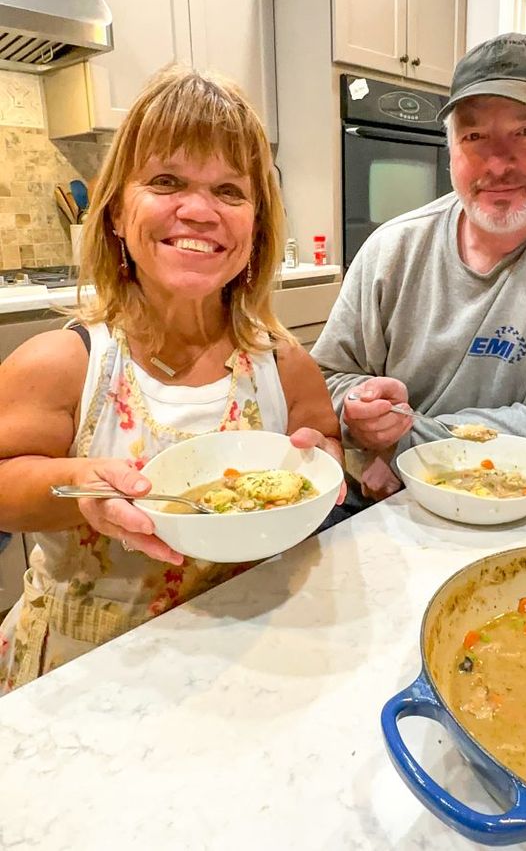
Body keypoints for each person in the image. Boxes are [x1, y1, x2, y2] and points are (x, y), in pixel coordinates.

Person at [0, 66, 344, 692]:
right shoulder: (62, 365)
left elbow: (325, 445)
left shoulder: (283, 364)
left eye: (230, 192)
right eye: (166, 182)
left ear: (256, 228)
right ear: (115, 215)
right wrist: (75, 483)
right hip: (88, 670)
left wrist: (322, 465)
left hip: (249, 646)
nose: (199, 211)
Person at [312, 32, 526, 507]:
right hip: (379, 508)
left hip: (524, 508)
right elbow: (326, 377)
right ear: (451, 151)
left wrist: (409, 446)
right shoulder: (391, 247)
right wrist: (360, 411)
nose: (497, 163)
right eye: (474, 137)